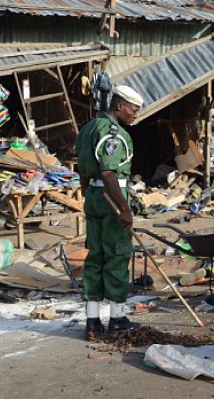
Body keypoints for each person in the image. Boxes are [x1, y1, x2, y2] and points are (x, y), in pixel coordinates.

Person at [76, 85, 144, 340]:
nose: (136, 114)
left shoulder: (88, 128)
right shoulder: (113, 133)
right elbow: (108, 172)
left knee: (95, 256)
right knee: (117, 255)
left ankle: (92, 322)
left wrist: (88, 197)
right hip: (111, 197)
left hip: (94, 197)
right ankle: (116, 319)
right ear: (119, 106)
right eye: (133, 109)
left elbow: (83, 170)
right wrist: (124, 208)